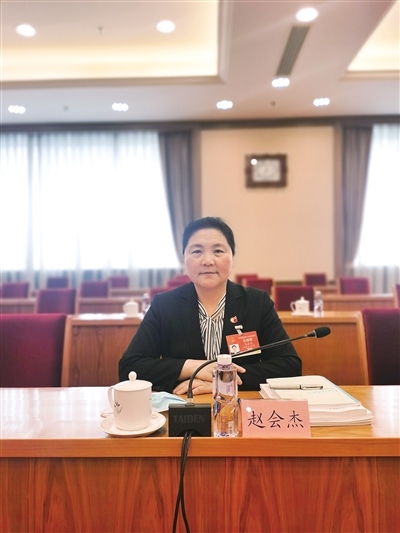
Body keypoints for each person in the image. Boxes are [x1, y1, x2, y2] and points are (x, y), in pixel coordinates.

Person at [119, 216, 301, 395]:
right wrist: (194, 367)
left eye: (218, 251)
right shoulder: (164, 305)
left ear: (232, 256)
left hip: (239, 405)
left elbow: (289, 365)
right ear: (184, 259)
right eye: (197, 251)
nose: (207, 260)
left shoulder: (257, 303)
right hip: (184, 406)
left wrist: (222, 380)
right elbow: (129, 367)